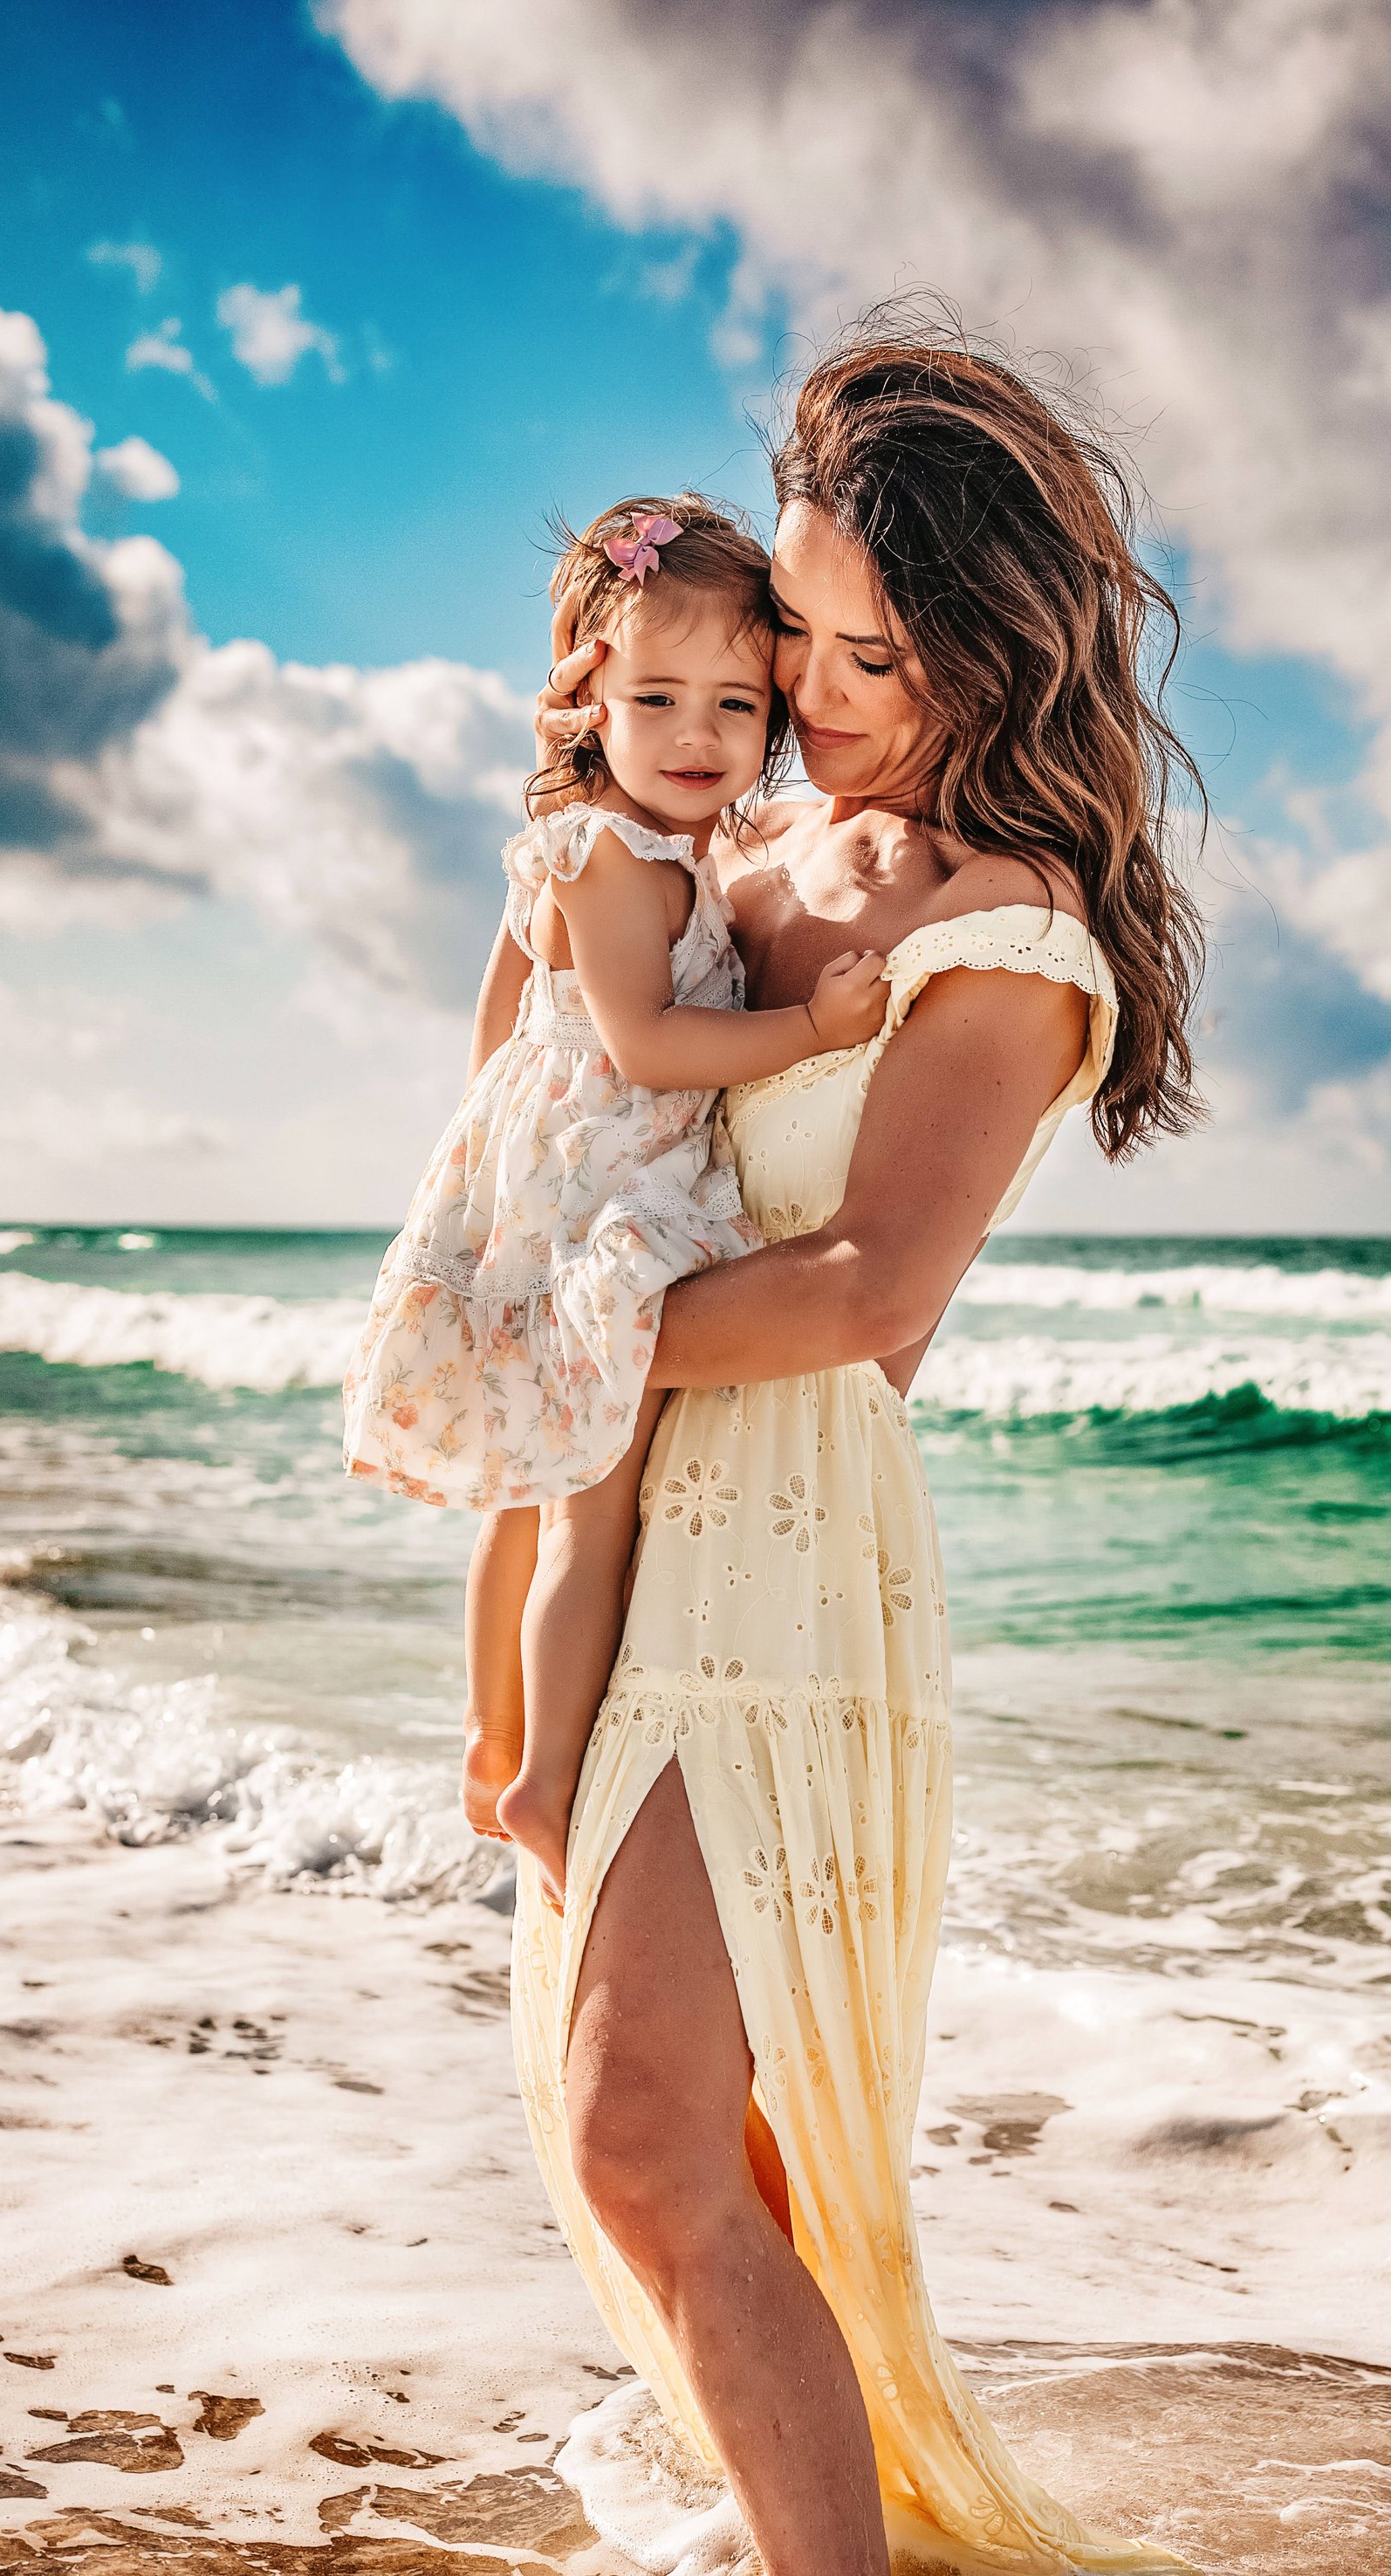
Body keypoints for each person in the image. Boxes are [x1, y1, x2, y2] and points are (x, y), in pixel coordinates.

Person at [506, 319, 1206, 2576]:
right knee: (694, 2134)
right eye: (794, 633)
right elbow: (552, 1108)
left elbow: (870, 1297)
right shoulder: (736, 847)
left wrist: (568, 1348)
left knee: (643, 2133)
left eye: (870, 658)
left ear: (991, 655)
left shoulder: (1005, 933)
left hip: (780, 1560)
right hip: (625, 1517)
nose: (807, 694)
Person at [340, 496, 888, 1892]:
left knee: (528, 1487)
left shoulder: (612, 840)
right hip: (603, 1202)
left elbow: (501, 1018)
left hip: (560, 1185)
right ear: (591, 696)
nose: (699, 735)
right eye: (656, 698)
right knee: (587, 1498)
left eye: (734, 704)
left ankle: (491, 1745)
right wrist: (811, 1030)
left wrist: (497, 1172)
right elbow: (645, 1042)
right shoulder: (609, 856)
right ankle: (542, 1778)